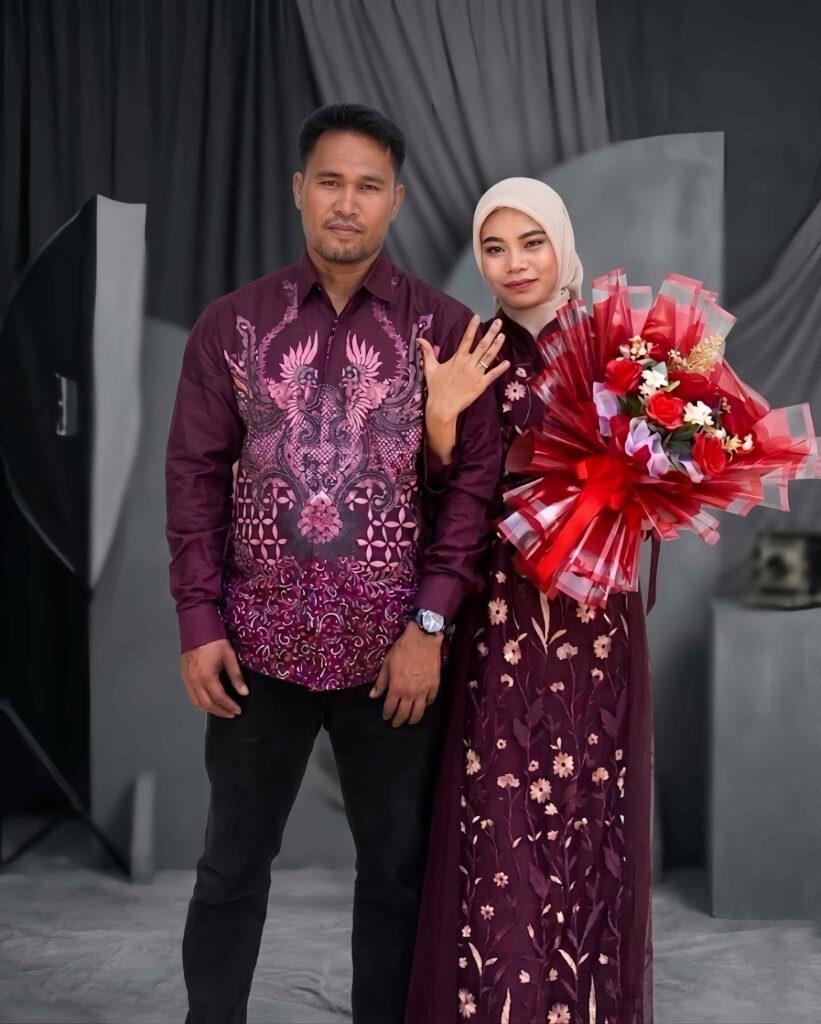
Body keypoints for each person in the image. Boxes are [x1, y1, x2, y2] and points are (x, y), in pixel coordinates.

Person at [165, 103, 505, 1024]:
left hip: (394, 658)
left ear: (397, 200)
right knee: (230, 867)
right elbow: (194, 477)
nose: (345, 203)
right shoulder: (231, 326)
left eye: (366, 185)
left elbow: (472, 493)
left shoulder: (448, 331)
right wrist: (198, 621)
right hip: (255, 651)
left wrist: (428, 626)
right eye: (329, 181)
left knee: (396, 874)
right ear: (298, 190)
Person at [405, 178, 654, 1024]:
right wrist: (440, 422)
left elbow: (663, 479)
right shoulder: (471, 352)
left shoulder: (620, 350)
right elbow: (440, 499)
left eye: (531, 242)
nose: (514, 263)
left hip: (596, 626)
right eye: (494, 247)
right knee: (501, 815)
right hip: (502, 621)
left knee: (589, 812)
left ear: (562, 244)